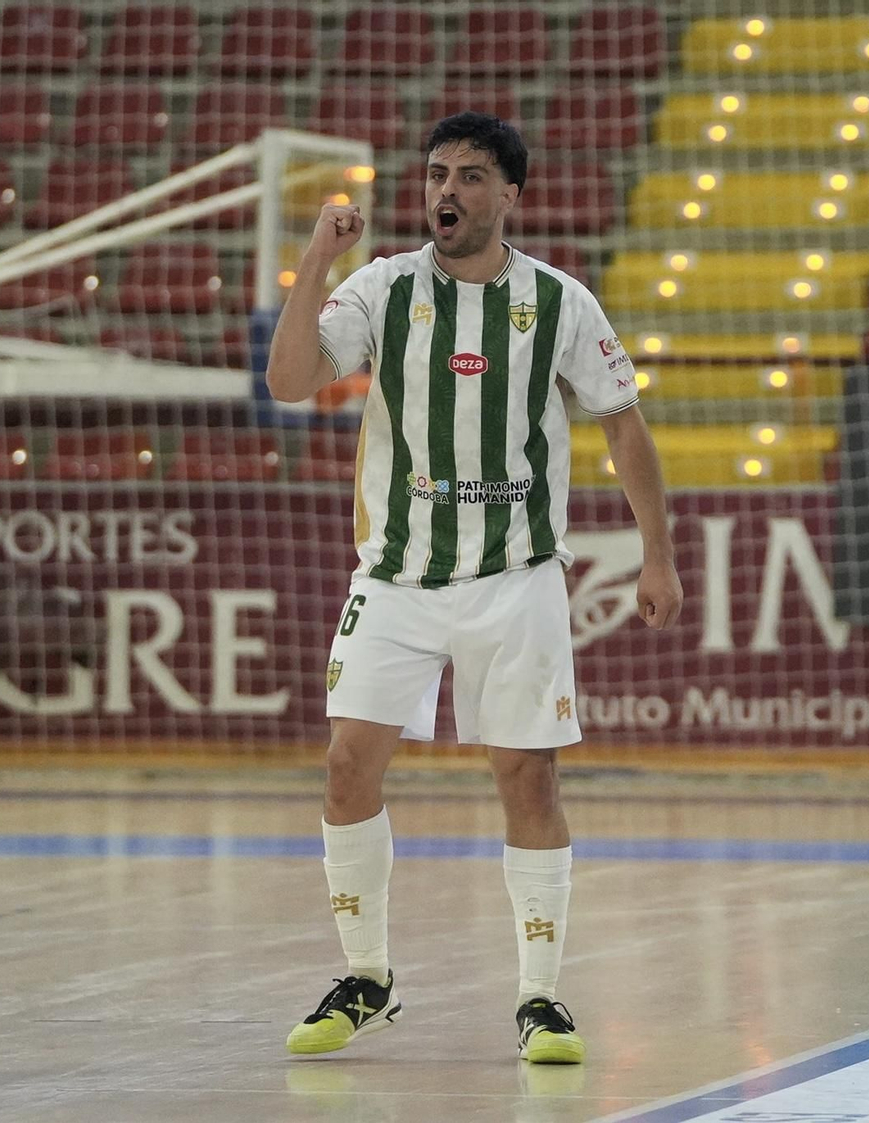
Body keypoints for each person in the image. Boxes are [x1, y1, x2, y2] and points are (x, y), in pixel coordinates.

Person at [264, 112, 683, 1065]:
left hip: (516, 576)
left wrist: (657, 552)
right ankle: (367, 977)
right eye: (436, 173)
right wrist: (317, 259)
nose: (446, 190)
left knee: (527, 776)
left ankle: (541, 998)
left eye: (470, 176)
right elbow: (290, 380)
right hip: (398, 575)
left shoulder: (560, 303)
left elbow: (623, 424)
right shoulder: (383, 287)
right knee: (344, 767)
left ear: (509, 197)